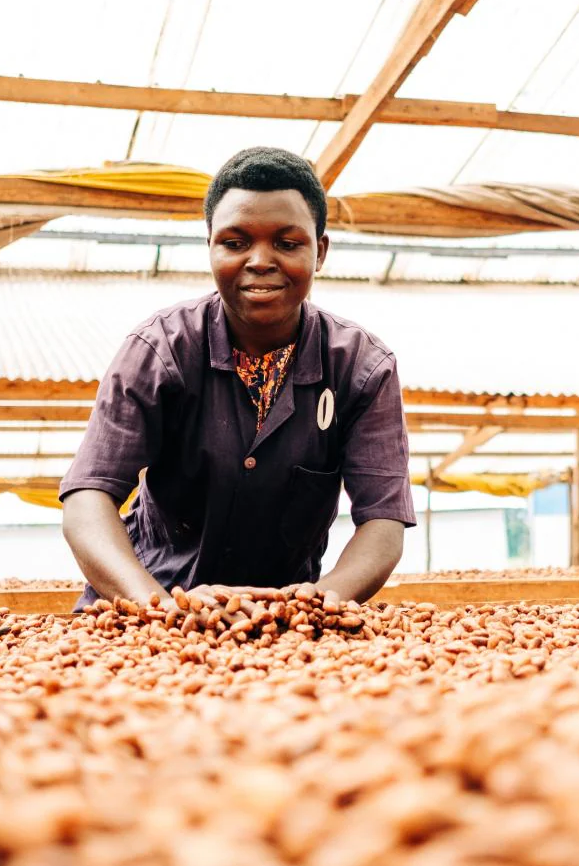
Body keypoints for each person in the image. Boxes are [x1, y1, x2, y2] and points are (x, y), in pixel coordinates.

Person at [60, 146, 415, 612]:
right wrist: (158, 604)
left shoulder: (361, 368)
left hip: (289, 621)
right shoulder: (160, 350)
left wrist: (317, 602)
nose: (260, 261)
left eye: (287, 244)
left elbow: (383, 523)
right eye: (235, 242)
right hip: (150, 609)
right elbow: (89, 497)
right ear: (210, 245)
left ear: (320, 251)